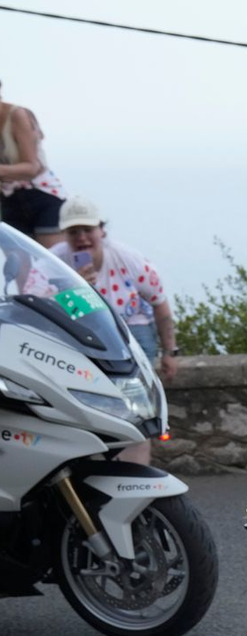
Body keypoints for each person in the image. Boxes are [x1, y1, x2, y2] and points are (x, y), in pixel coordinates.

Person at [51, 195, 179, 465]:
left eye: (88, 230)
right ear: (65, 235)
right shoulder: (55, 264)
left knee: (135, 409)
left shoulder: (127, 259)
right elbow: (44, 307)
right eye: (74, 231)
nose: (82, 237)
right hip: (83, 336)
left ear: (101, 230)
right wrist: (76, 289)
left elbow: (160, 305)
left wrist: (170, 352)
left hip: (132, 330)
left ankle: (137, 470)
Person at [0, 80, 67, 246]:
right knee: (19, 268)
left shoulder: (16, 115)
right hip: (9, 199)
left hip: (41, 193)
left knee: (52, 262)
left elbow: (31, 167)